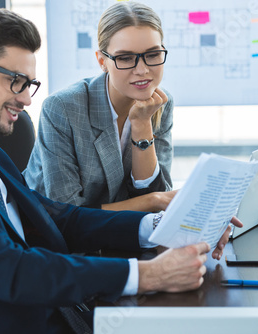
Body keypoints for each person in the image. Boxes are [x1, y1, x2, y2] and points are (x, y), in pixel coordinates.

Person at [0, 8, 241, 334]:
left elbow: (55, 218)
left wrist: (158, 227)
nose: (26, 99)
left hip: (46, 313)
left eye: (29, 84)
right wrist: (150, 274)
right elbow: (8, 268)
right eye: (14, 81)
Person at [24, 2, 176, 212]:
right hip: (55, 238)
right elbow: (65, 212)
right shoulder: (63, 108)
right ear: (102, 61)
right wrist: (152, 201)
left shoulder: (160, 104)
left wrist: (142, 124)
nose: (142, 70)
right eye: (125, 58)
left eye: (152, 55)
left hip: (125, 236)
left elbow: (157, 198)